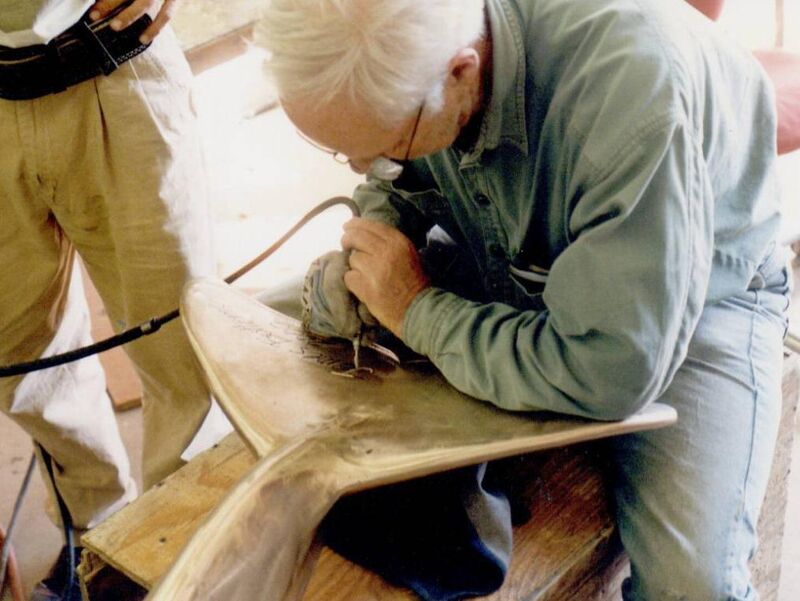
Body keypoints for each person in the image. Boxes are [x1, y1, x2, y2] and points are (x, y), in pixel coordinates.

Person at [257, 0, 790, 599]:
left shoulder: (632, 95)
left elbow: (611, 373)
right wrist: (379, 241)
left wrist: (416, 311)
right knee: (262, 328)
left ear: (460, 71)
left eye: (381, 150)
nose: (364, 167)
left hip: (693, 304)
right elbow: (399, 187)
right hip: (512, 260)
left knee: (692, 586)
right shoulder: (424, 50)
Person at [0, 0, 222, 597]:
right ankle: (98, 532)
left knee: (185, 348)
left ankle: (173, 546)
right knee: (18, 360)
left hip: (116, 67)